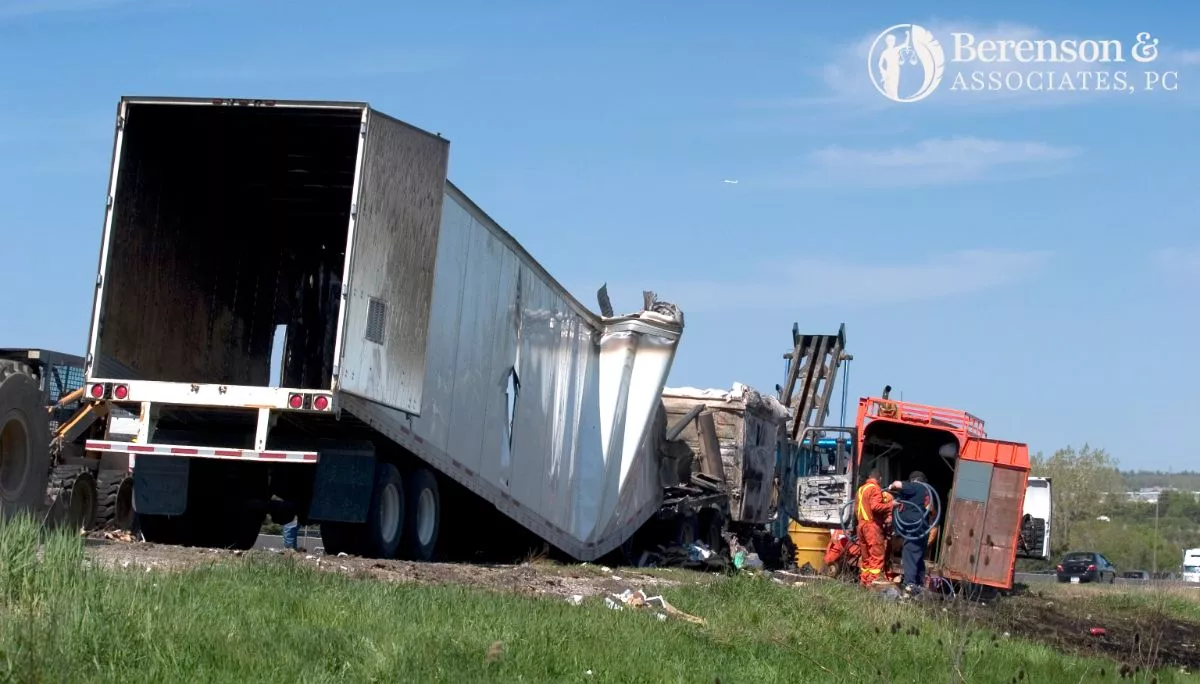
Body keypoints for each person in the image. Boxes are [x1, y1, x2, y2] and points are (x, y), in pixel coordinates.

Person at [889, 471, 933, 594]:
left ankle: (910, 585)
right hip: (922, 528)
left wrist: (891, 486)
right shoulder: (926, 491)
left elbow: (897, 484)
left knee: (909, 553)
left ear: (913, 480)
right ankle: (919, 584)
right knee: (917, 557)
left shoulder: (916, 486)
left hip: (915, 528)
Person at [855, 468, 893, 587]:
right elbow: (875, 507)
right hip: (871, 526)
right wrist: (892, 505)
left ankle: (864, 581)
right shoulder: (875, 488)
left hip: (860, 525)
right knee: (876, 555)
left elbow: (856, 509)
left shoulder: (860, 489)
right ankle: (873, 584)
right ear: (879, 478)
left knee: (866, 557)